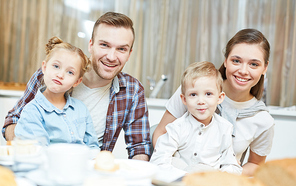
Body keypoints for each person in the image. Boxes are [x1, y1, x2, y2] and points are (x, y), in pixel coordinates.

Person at [2, 12, 150, 160]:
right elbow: (12, 121)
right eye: (104, 45)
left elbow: (140, 147)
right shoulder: (51, 77)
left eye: (121, 49)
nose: (111, 57)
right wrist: (32, 148)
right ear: (91, 44)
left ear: (129, 54)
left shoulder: (132, 90)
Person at [152, 29, 274, 176]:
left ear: (265, 68)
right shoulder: (193, 90)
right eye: (236, 61)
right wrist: (180, 169)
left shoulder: (263, 120)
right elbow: (161, 133)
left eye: (254, 64)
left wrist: (220, 176)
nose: (243, 70)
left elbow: (255, 164)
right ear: (226, 60)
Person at [150, 61, 242, 175]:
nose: (201, 101)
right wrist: (185, 174)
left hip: (210, 184)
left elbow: (231, 164)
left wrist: (221, 175)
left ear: (220, 97)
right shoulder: (176, 128)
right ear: (184, 99)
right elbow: (158, 161)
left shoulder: (225, 128)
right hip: (181, 181)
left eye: (208, 94)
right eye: (193, 95)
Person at [14, 37, 99, 148]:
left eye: (70, 72)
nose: (60, 75)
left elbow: (93, 147)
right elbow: (39, 152)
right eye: (56, 66)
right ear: (44, 67)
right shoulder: (32, 111)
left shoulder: (81, 109)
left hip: (81, 163)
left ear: (77, 81)